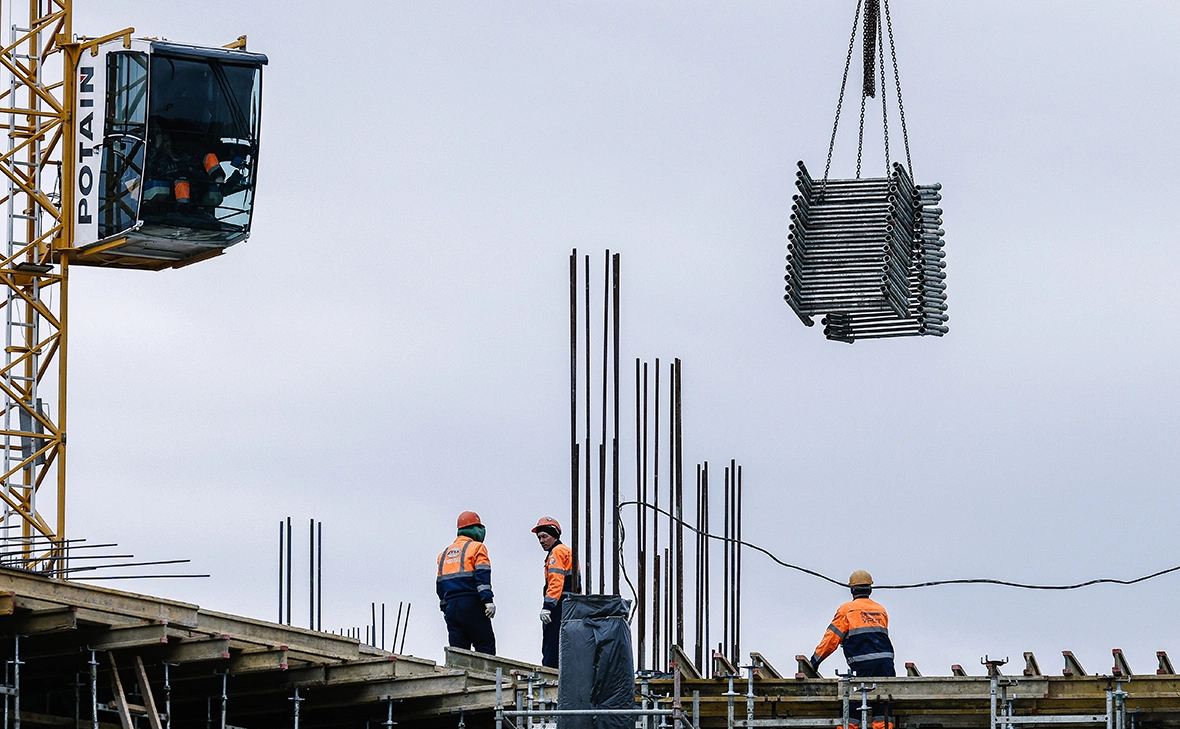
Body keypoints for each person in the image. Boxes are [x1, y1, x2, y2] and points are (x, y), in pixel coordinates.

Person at [809, 570, 895, 677]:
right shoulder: (880, 610)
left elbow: (831, 639)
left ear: (852, 590)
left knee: (864, 692)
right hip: (886, 662)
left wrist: (814, 661)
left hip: (863, 663)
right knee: (887, 692)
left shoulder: (847, 610)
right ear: (870, 589)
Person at [436, 511, 496, 655]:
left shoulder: (444, 554)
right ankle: (486, 677)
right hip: (472, 604)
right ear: (475, 529)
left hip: (452, 608)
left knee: (458, 653)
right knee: (485, 646)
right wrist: (488, 601)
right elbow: (482, 576)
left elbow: (439, 586)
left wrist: (445, 608)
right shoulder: (477, 548)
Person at [533, 516, 577, 668]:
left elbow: (556, 582)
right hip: (570, 605)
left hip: (559, 605)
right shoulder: (566, 551)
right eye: (539, 537)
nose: (541, 541)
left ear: (555, 535)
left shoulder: (557, 553)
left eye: (545, 536)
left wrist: (548, 606)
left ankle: (550, 675)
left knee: (552, 644)